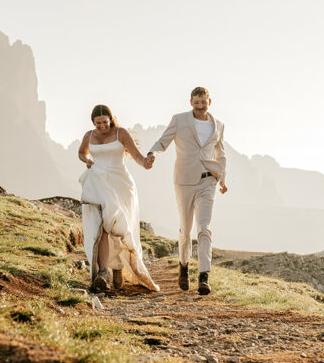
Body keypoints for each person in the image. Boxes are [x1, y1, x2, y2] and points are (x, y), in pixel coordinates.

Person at [145, 86, 227, 295]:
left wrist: (223, 179)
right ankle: (183, 265)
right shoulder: (179, 120)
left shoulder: (218, 125)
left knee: (204, 227)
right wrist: (153, 152)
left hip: (208, 181)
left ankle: (204, 276)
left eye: (204, 103)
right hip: (183, 181)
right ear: (191, 102)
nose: (200, 106)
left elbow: (221, 154)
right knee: (186, 229)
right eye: (197, 103)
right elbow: (164, 140)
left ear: (210, 102)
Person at [78, 104, 159, 294]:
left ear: (110, 119)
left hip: (121, 185)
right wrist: (86, 160)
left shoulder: (121, 133)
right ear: (93, 123)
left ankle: (118, 268)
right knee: (103, 226)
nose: (102, 127)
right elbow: (82, 152)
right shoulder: (89, 136)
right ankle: (103, 272)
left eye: (105, 122)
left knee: (120, 227)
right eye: (98, 124)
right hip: (98, 184)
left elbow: (137, 156)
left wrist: (146, 163)